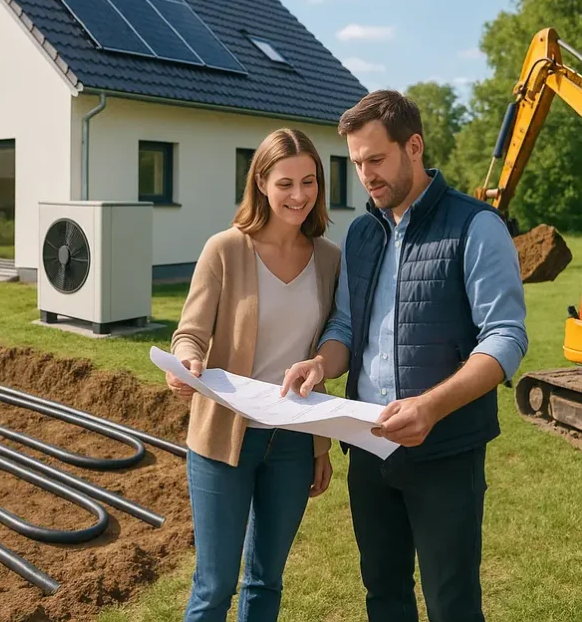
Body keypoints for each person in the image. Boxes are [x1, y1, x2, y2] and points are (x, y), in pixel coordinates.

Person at [281, 90, 528, 622]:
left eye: (375, 159)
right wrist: (321, 364)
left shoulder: (476, 225)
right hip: (369, 447)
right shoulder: (361, 233)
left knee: (451, 603)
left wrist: (431, 407)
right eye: (357, 163)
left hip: (446, 450)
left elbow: (505, 337)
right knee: (384, 595)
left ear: (413, 147)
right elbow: (346, 327)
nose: (365, 175)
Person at [166, 128, 341, 622]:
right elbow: (189, 334)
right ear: (261, 182)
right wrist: (187, 363)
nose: (299, 195)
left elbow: (327, 350)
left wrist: (320, 447)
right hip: (224, 438)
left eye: (309, 182)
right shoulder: (225, 249)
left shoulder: (329, 258)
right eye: (286, 183)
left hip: (293, 443)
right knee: (214, 585)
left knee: (266, 581)